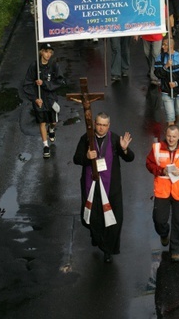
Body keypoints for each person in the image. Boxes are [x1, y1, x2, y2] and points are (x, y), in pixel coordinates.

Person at [73, 112, 134, 263]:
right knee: (94, 216)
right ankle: (96, 235)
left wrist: (125, 149)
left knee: (114, 218)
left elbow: (129, 158)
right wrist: (87, 157)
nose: (101, 128)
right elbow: (76, 159)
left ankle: (107, 249)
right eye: (99, 124)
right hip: (91, 184)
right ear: (94, 124)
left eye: (104, 125)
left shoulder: (114, 139)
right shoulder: (86, 138)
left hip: (111, 186)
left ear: (109, 126)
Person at [146, 124, 179, 262]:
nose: (171, 139)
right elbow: (149, 164)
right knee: (159, 219)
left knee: (178, 221)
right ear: (165, 135)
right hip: (162, 190)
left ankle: (175, 249)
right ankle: (164, 233)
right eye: (169, 136)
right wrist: (161, 171)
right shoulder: (157, 148)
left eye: (174, 136)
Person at [23, 43, 65, 158]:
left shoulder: (54, 66)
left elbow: (59, 81)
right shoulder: (34, 66)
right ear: (41, 52)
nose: (48, 54)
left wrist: (45, 84)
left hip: (51, 99)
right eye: (46, 51)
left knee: (53, 122)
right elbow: (27, 84)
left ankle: (51, 129)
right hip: (39, 99)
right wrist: (35, 99)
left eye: (50, 52)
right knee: (42, 122)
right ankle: (45, 146)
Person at [154, 36, 179, 126]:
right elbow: (157, 74)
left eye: (165, 45)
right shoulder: (160, 58)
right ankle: (171, 130)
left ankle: (174, 126)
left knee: (178, 112)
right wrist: (165, 66)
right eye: (162, 45)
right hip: (166, 91)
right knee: (170, 116)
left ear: (171, 46)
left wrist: (176, 83)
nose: (162, 47)